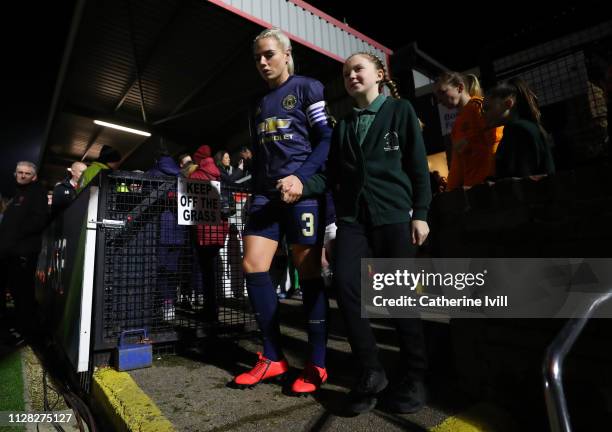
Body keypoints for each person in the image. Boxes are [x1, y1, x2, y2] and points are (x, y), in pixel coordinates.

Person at [304, 52, 432, 414]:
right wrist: (300, 184)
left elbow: (418, 165)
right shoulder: (343, 125)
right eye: (346, 73)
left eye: (357, 69)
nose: (351, 76)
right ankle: (371, 370)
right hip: (352, 221)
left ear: (379, 74)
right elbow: (329, 177)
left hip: (393, 215)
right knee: (344, 283)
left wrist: (420, 213)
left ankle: (415, 375)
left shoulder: (400, 111)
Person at [232, 28, 332, 395]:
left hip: (302, 192)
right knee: (252, 265)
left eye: (270, 54)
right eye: (258, 57)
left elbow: (325, 140)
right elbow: (260, 156)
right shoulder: (256, 104)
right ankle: (273, 357)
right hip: (265, 195)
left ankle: (317, 361)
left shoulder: (309, 87)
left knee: (307, 269)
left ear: (287, 54)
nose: (263, 62)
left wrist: (302, 179)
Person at [0, 161, 48, 343]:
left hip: (23, 253)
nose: (22, 176)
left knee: (23, 294)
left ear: (34, 176)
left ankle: (26, 332)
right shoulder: (18, 194)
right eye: (19, 172)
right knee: (13, 291)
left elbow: (38, 221)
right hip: (9, 253)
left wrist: (14, 238)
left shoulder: (37, 193)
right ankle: (13, 327)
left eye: (27, 173)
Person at [435, 72, 504, 190]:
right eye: (437, 96)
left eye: (442, 92)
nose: (439, 100)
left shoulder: (479, 106)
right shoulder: (456, 125)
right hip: (472, 190)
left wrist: (492, 178)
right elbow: (457, 165)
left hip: (489, 186)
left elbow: (495, 141)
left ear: (460, 88)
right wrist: (449, 192)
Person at [482, 78, 556, 178]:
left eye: (488, 108)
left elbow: (520, 177)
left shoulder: (517, 130)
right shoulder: (528, 127)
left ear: (508, 104)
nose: (484, 114)